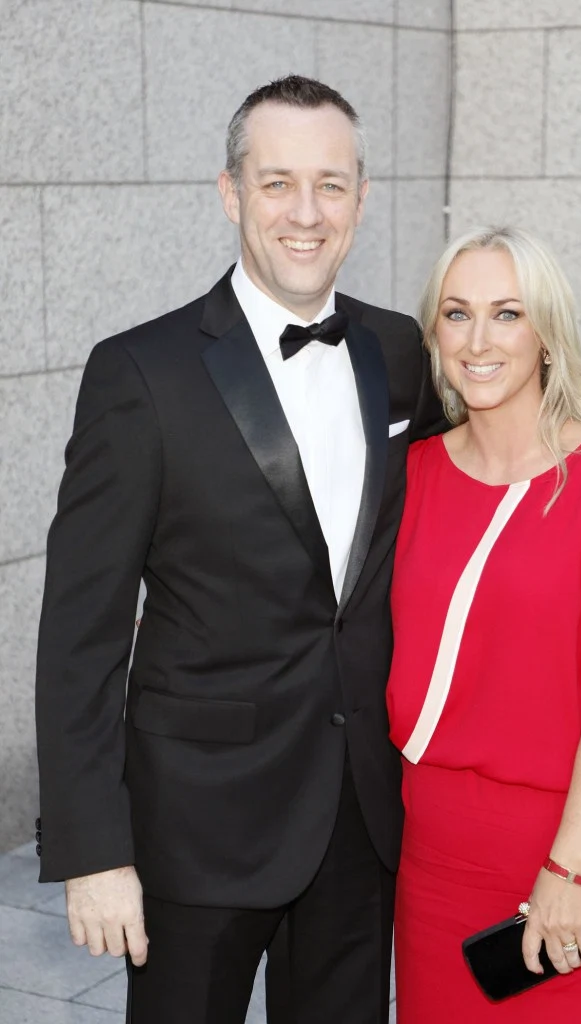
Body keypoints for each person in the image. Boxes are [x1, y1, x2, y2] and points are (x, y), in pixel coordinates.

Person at [34, 75, 445, 1024]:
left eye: (330, 185)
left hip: (360, 816)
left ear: (361, 200)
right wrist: (94, 850)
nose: (306, 213)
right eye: (277, 183)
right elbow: (82, 632)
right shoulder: (140, 373)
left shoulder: (399, 352)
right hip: (196, 827)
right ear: (230, 194)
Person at [386, 226, 581, 1023]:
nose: (478, 340)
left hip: (572, 832)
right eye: (457, 313)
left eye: (507, 314)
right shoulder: (412, 474)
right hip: (433, 841)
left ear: (547, 334)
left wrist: (569, 867)